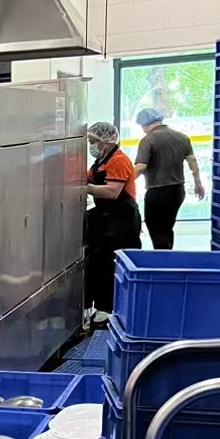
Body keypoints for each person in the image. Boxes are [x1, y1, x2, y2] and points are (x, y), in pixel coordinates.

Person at [84, 121, 141, 326]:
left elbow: (112, 191)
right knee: (100, 262)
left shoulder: (119, 160)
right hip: (106, 217)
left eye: (93, 141)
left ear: (105, 141)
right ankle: (100, 305)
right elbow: (87, 178)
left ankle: (109, 309)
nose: (91, 145)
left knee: (111, 264)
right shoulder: (100, 161)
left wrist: (84, 188)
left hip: (122, 220)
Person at [133, 107, 204, 250]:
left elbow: (140, 167)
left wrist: (124, 182)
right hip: (178, 191)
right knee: (167, 227)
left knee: (156, 229)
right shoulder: (182, 137)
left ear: (145, 125)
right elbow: (193, 163)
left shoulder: (148, 140)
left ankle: (161, 260)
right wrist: (198, 184)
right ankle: (168, 256)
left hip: (157, 191)